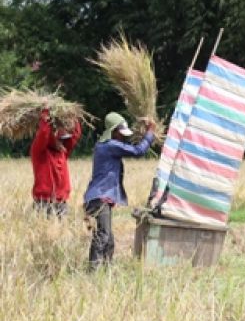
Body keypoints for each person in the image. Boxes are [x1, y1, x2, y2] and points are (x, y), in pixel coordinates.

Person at [82, 113, 156, 269]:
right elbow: (138, 151)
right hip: (99, 197)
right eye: (121, 134)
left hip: (99, 198)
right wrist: (150, 133)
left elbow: (130, 147)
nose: (123, 137)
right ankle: (93, 270)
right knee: (103, 235)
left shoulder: (105, 146)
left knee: (108, 238)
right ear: (113, 131)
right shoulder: (110, 146)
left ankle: (107, 270)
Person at [30, 109, 82, 217]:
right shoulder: (39, 151)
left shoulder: (62, 152)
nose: (63, 142)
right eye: (61, 139)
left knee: (61, 231)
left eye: (64, 140)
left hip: (61, 202)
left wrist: (75, 119)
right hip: (43, 201)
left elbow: (75, 136)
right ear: (53, 137)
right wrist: (45, 116)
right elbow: (44, 134)